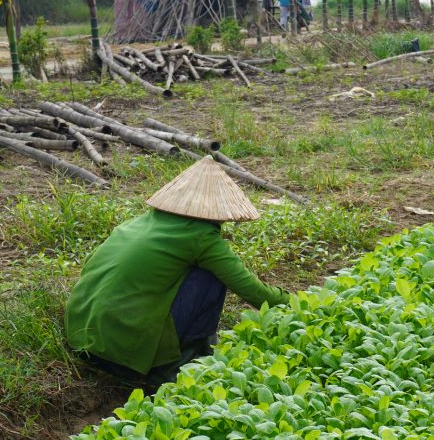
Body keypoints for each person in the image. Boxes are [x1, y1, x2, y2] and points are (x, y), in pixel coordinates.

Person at [65, 157, 290, 385]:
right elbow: (249, 288)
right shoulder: (201, 236)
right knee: (210, 277)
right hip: (123, 351)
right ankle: (171, 367)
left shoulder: (138, 223)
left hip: (83, 335)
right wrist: (299, 303)